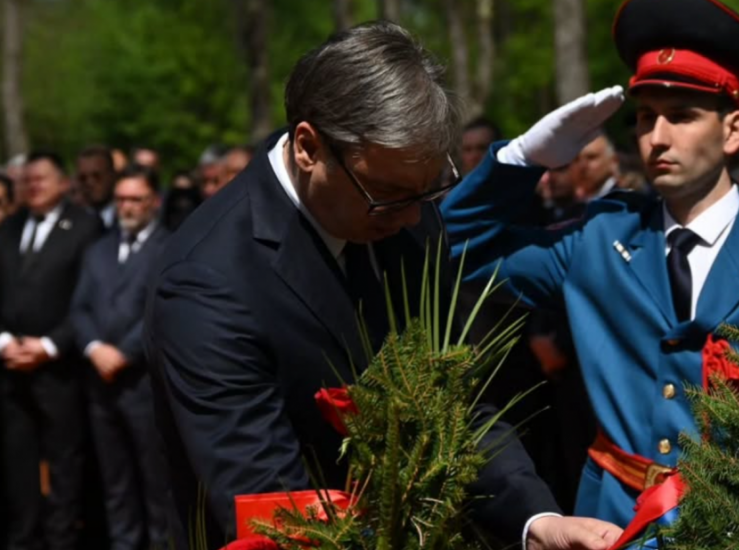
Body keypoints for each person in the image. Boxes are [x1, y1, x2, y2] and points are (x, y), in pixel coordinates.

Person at [144, 21, 621, 550]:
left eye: (428, 190)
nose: (412, 217)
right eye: (388, 194)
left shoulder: (411, 221)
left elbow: (453, 399)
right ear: (309, 148)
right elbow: (269, 502)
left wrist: (538, 522)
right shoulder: (207, 283)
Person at [440, 0, 739, 546]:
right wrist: (522, 160)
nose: (656, 136)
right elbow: (452, 248)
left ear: (733, 129)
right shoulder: (599, 242)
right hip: (614, 526)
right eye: (646, 116)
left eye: (680, 115)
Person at [0, 151, 102, 550]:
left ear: (63, 183)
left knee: (64, 464)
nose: (32, 185)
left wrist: (48, 345)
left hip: (60, 368)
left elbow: (89, 297)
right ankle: (24, 539)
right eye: (26, 179)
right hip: (9, 366)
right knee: (17, 463)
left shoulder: (85, 227)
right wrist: (6, 342)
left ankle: (62, 541)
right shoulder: (8, 229)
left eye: (41, 178)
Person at [70, 165, 171, 550]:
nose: (127, 206)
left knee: (154, 484)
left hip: (142, 385)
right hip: (100, 386)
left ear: (153, 202)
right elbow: (79, 308)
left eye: (135, 199)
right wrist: (94, 348)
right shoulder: (98, 249)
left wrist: (123, 353)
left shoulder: (169, 246)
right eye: (121, 199)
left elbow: (160, 311)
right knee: (115, 484)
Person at [76, 145, 118, 228]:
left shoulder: (125, 217)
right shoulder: (72, 219)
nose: (90, 183)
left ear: (112, 176)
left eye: (97, 176)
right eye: (83, 178)